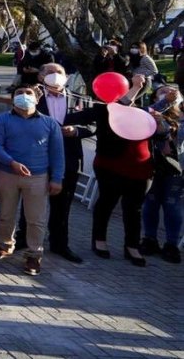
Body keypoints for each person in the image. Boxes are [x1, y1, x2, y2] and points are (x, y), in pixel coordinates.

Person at [65, 75, 152, 266]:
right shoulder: (105, 110)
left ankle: (132, 246)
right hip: (111, 166)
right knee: (107, 203)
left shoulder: (146, 112)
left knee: (134, 209)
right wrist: (136, 87)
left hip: (140, 169)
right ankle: (100, 240)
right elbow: (120, 107)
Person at [0, 86, 65, 276]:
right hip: (7, 174)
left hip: (38, 177)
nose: (24, 96)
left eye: (29, 93)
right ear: (12, 99)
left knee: (36, 219)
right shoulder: (1, 120)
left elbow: (57, 154)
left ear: (37, 99)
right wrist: (11, 162)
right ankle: (4, 245)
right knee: (6, 214)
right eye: (19, 93)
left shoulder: (50, 123)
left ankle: (34, 254)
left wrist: (57, 179)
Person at [15, 63, 91, 263]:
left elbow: (92, 124)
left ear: (66, 77)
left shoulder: (79, 97)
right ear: (40, 76)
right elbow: (19, 120)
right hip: (37, 157)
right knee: (31, 201)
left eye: (59, 72)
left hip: (69, 157)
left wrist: (76, 131)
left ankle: (59, 242)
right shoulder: (31, 96)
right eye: (49, 72)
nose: (54, 76)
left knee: (63, 204)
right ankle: (24, 238)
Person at [140, 85, 182, 263]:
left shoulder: (180, 117)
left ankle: (171, 244)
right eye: (162, 92)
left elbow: (176, 140)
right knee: (151, 203)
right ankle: (150, 239)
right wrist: (164, 105)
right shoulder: (149, 114)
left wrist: (163, 124)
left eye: (172, 91)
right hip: (152, 166)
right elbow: (140, 114)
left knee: (172, 206)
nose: (168, 93)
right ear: (155, 97)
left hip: (175, 168)